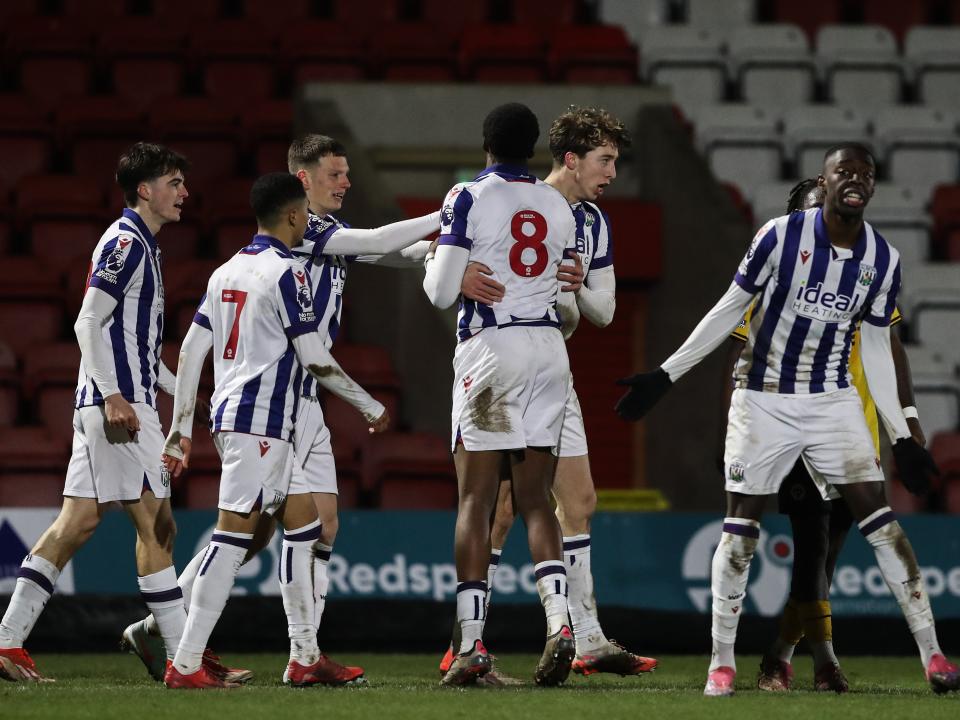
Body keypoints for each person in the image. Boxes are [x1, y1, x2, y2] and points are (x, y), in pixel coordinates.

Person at [616, 143, 957, 696]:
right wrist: (666, 374)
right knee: (741, 528)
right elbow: (731, 306)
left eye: (865, 173)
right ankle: (722, 662)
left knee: (881, 521)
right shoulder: (779, 236)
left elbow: (877, 347)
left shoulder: (883, 258)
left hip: (832, 399)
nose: (855, 179)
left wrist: (901, 433)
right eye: (843, 171)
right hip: (764, 397)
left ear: (873, 186)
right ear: (824, 182)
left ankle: (934, 656)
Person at [124, 140, 439, 686]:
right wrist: (449, 214)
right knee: (240, 533)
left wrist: (442, 251)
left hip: (289, 406)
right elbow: (375, 247)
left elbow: (385, 251)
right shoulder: (298, 245)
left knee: (310, 526)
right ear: (301, 188)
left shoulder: (237, 265)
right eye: (335, 174)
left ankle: (304, 654)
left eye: (347, 173)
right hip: (269, 409)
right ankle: (181, 648)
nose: (345, 183)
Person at [441, 107, 657, 680]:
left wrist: (578, 286)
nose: (612, 173)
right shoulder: (527, 202)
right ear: (571, 159)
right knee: (504, 507)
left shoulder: (591, 221)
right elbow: (439, 253)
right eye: (605, 160)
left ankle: (584, 636)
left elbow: (604, 311)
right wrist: (453, 271)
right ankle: (468, 640)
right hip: (521, 358)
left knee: (577, 500)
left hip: (542, 364)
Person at [718, 179, 927, 692]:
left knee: (828, 556)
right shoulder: (773, 280)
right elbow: (737, 355)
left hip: (853, 427)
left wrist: (906, 417)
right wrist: (737, 425)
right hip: (789, 422)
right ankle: (826, 662)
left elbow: (890, 346)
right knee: (811, 546)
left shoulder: (864, 272)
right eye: (814, 210)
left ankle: (778, 656)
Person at [0, 143, 190, 682]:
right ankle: (185, 658)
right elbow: (87, 322)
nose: (184, 192)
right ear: (145, 190)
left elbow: (139, 347)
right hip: (119, 409)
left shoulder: (146, 246)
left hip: (114, 401)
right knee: (158, 527)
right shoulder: (126, 242)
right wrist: (112, 396)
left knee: (77, 522)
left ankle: (7, 642)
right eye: (174, 183)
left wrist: (184, 394)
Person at [423, 102, 580, 687]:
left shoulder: (467, 195)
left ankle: (469, 644)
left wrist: (444, 265)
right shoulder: (557, 204)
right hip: (549, 349)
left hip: (493, 348)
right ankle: (560, 624)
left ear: (485, 144)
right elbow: (566, 288)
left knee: (476, 499)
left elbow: (441, 293)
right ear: (533, 148)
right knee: (537, 498)